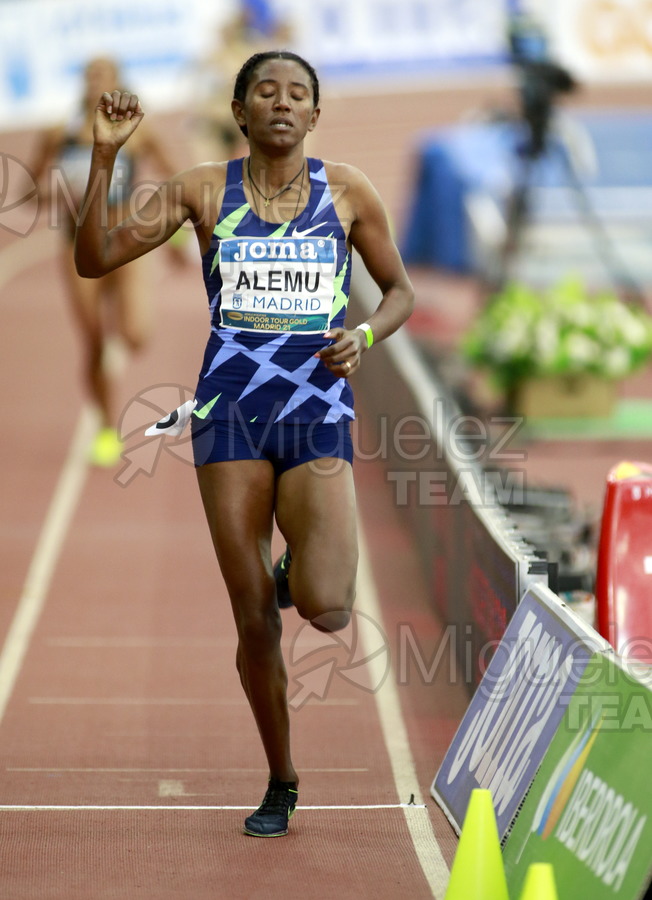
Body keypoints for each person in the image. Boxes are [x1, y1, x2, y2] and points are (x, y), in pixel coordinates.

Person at [74, 50, 414, 836]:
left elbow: (400, 292)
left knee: (327, 606)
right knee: (254, 618)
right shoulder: (201, 189)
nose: (283, 103)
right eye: (266, 90)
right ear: (240, 109)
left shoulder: (348, 190)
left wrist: (363, 334)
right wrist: (104, 156)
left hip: (317, 411)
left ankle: (295, 570)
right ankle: (281, 778)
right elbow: (94, 259)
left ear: (316, 114)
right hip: (230, 417)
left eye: (299, 93)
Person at [30, 56, 180, 466]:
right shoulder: (58, 134)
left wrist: (178, 234)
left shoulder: (140, 133)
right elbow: (30, 188)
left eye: (104, 75)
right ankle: (105, 427)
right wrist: (56, 194)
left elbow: (176, 178)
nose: (95, 81)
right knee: (94, 341)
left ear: (118, 82)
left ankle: (119, 312)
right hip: (77, 245)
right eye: (89, 74)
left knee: (135, 333)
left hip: (124, 242)